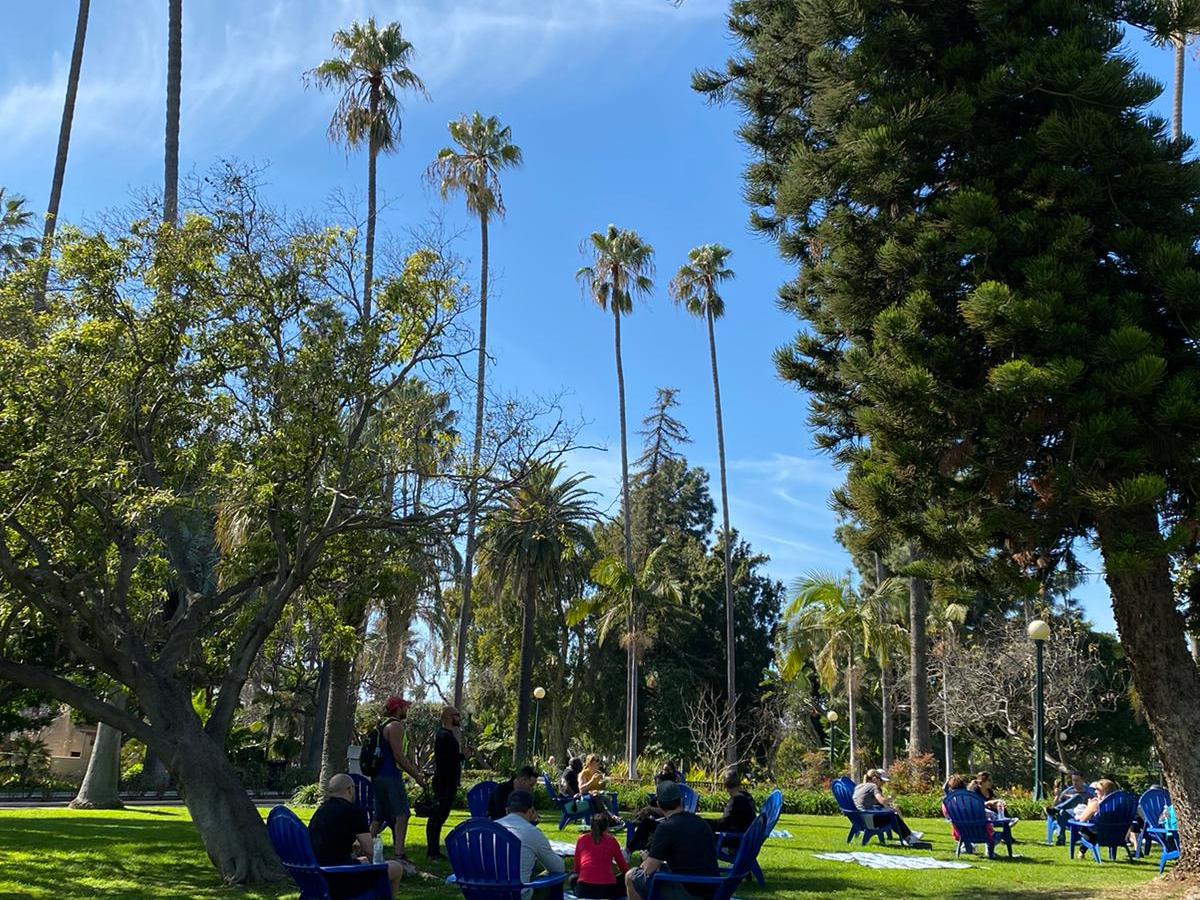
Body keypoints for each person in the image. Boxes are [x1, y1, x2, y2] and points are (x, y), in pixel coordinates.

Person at [309, 773, 404, 898]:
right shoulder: (353, 811)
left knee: (363, 861)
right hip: (341, 878)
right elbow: (370, 851)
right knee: (396, 868)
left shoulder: (320, 812)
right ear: (350, 790)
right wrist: (379, 863)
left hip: (319, 875)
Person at [626, 781, 720, 900]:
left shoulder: (666, 828)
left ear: (659, 805)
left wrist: (646, 858)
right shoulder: (701, 822)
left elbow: (648, 869)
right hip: (713, 888)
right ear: (681, 801)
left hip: (689, 891)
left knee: (631, 877)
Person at [370, 697, 428, 867]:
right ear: (398, 709)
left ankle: (362, 848)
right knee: (402, 814)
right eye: (405, 707)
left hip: (378, 776)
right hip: (390, 775)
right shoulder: (395, 726)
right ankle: (399, 854)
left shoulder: (381, 725)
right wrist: (417, 776)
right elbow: (399, 756)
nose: (406, 710)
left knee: (379, 816)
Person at [497, 789, 566, 900]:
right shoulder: (532, 832)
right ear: (531, 811)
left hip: (480, 892)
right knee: (556, 879)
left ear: (506, 810)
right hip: (516, 895)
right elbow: (558, 868)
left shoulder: (489, 829)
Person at [427, 705, 470, 861]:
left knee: (441, 816)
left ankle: (434, 850)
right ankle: (432, 851)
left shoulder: (449, 735)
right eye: (456, 715)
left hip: (448, 781)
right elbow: (447, 760)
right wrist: (462, 756)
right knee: (437, 816)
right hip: (444, 782)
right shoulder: (444, 736)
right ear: (449, 717)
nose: (459, 718)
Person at [853, 768, 924, 847]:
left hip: (860, 820)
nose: (882, 783)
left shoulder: (858, 787)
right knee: (893, 816)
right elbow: (882, 801)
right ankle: (908, 837)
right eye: (880, 780)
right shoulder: (872, 786)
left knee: (891, 815)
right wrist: (891, 798)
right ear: (875, 779)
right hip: (869, 821)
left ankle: (908, 836)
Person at [572, 811, 629, 898]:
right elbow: (623, 868)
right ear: (607, 826)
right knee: (626, 878)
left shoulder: (581, 839)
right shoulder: (611, 840)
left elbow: (577, 868)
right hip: (607, 890)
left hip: (584, 889)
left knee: (572, 877)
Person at [704, 769, 757, 847]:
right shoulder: (747, 797)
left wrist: (702, 822)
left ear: (725, 786)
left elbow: (723, 824)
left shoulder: (736, 801)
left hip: (737, 840)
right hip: (747, 840)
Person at [1073, 778, 1118, 856]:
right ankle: (1081, 852)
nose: (1095, 791)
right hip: (1116, 834)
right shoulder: (1118, 803)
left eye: (1097, 789)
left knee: (1085, 826)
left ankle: (1081, 852)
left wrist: (1090, 806)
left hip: (1097, 835)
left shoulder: (1096, 803)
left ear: (1105, 790)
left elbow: (1082, 819)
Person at [1046, 771, 1090, 845]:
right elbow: (1054, 806)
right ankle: (1061, 838)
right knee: (1061, 811)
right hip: (1068, 816)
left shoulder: (1089, 793)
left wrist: (1071, 797)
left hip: (1081, 815)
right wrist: (1057, 796)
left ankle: (1057, 809)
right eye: (1073, 780)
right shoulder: (1068, 791)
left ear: (1082, 781)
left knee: (1077, 797)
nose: (1075, 783)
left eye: (1077, 780)